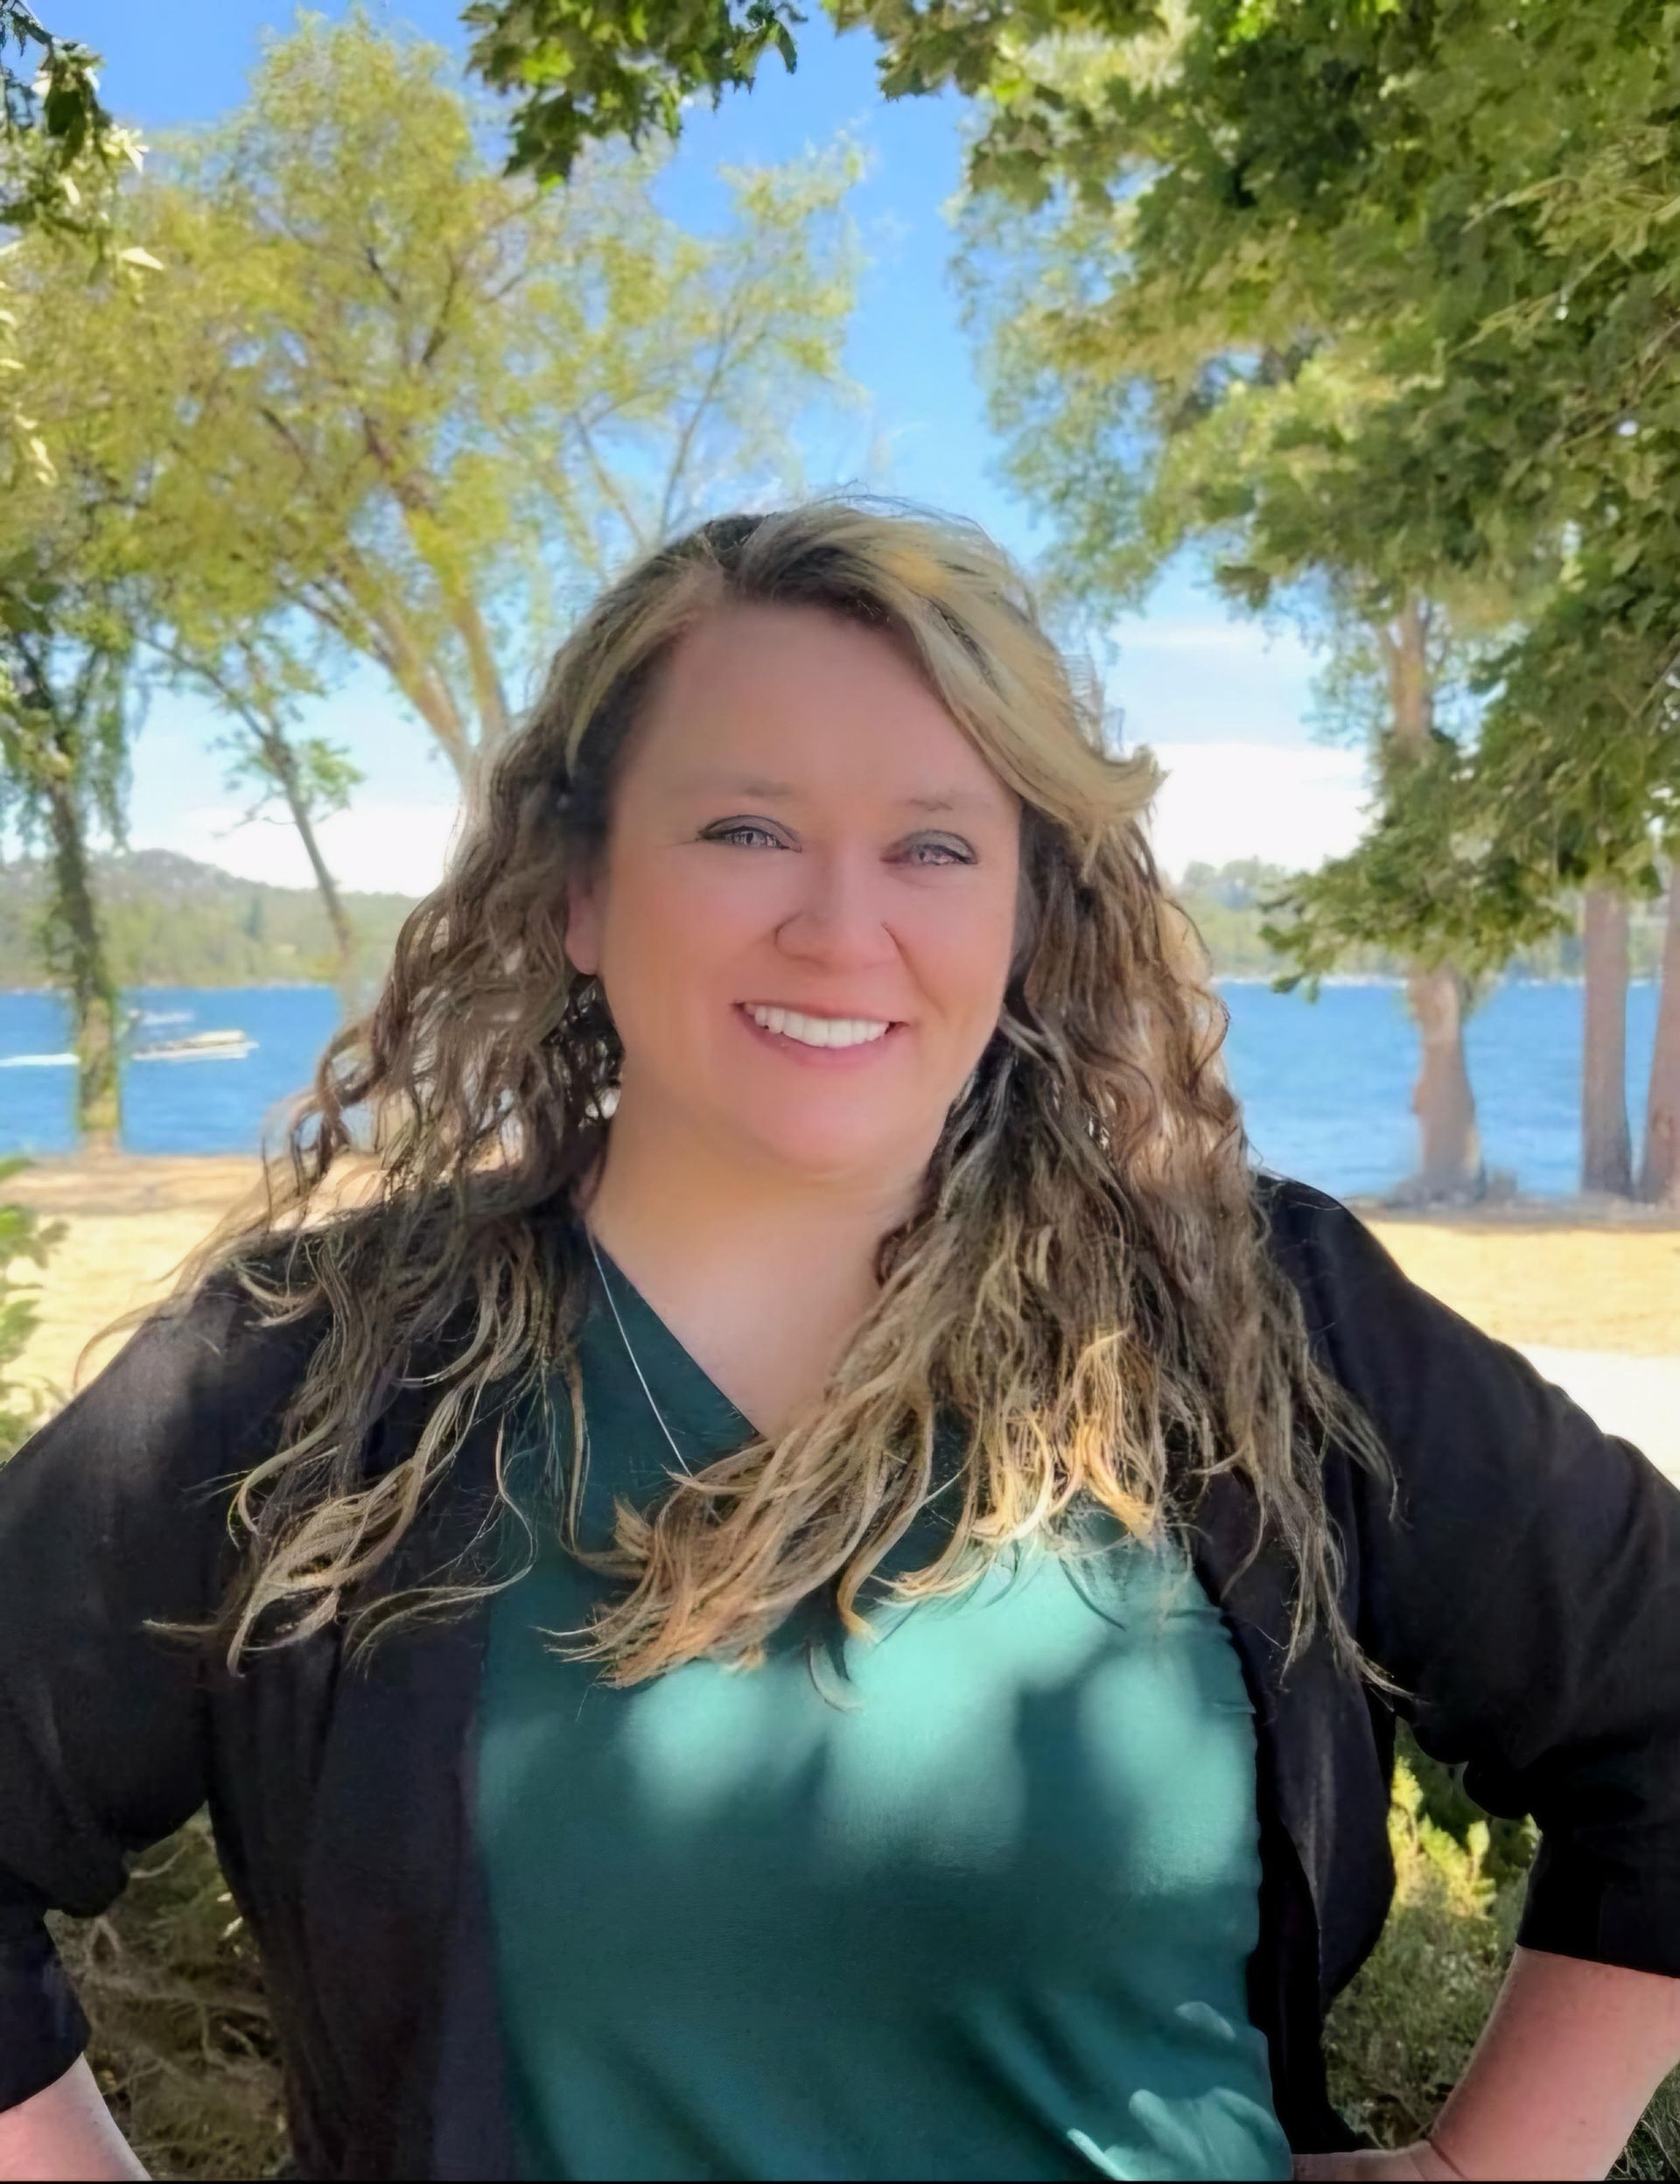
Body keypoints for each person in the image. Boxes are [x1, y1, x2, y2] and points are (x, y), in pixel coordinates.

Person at [1, 500, 1676, 2184]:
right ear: (579, 889)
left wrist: (1498, 2168)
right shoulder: (307, 1377)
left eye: (936, 846)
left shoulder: (1251, 1317)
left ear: (1026, 910)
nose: (839, 925)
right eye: (744, 828)